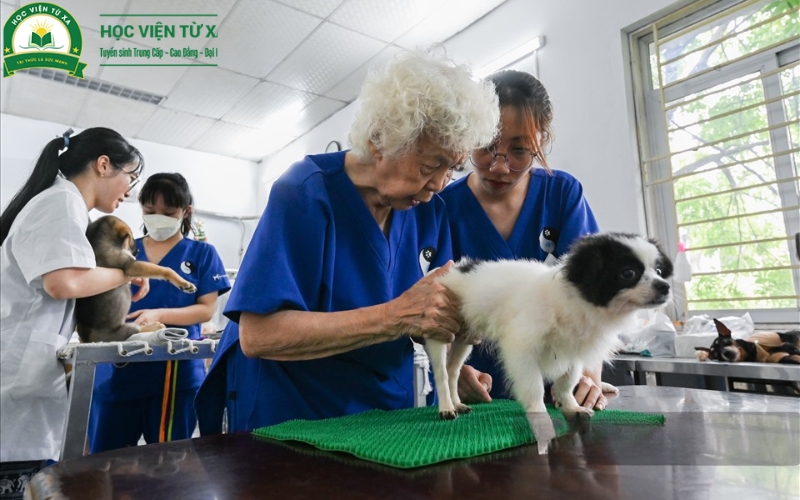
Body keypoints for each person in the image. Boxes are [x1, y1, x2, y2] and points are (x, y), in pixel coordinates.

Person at [195, 51, 500, 433]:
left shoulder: (428, 211)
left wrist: (453, 365)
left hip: (388, 413)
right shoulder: (304, 194)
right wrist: (395, 316)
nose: (440, 184)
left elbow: (427, 315)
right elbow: (257, 335)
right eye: (429, 165)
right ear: (380, 140)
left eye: (451, 168)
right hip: (296, 416)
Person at [438, 70, 614, 411]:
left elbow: (594, 295)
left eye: (519, 150)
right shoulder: (442, 207)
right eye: (487, 147)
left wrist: (587, 375)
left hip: (554, 390)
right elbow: (435, 303)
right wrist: (453, 369)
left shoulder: (562, 194)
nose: (500, 167)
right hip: (472, 397)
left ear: (541, 142)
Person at [0, 128, 144, 488]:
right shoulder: (61, 202)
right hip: (15, 379)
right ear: (103, 165)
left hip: (24, 375)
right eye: (131, 176)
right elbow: (63, 282)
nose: (130, 189)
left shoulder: (67, 205)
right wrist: (124, 273)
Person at [88, 173, 230, 453]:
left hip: (174, 373)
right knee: (105, 461)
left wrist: (158, 314)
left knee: (169, 464)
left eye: (168, 212)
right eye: (150, 211)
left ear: (185, 211)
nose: (158, 218)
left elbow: (205, 310)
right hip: (118, 369)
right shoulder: (125, 251)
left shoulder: (203, 254)